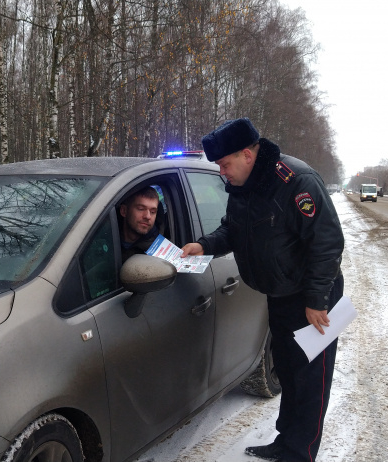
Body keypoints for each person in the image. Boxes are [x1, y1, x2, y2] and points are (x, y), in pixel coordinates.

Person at [181, 118, 345, 462]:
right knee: (287, 370)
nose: (222, 172)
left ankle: (301, 453)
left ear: (247, 155)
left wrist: (316, 300)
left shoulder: (297, 182)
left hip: (313, 297)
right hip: (279, 293)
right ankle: (286, 442)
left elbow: (327, 244)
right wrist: (204, 245)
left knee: (310, 379)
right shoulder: (244, 185)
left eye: (224, 164)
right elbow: (233, 230)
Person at [119, 186, 161, 262]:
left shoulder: (159, 250)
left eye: (153, 212)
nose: (148, 216)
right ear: (124, 211)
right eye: (141, 209)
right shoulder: (105, 237)